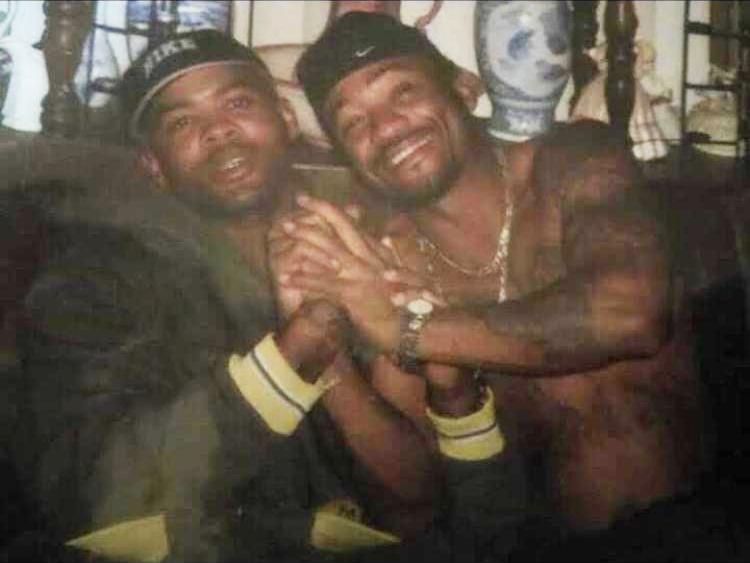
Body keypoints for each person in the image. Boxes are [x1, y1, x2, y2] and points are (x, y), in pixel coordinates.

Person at [5, 29, 451, 563]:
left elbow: (418, 500)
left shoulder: (368, 242)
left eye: (237, 103)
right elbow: (91, 488)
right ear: (154, 167)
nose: (217, 131)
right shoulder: (94, 280)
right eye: (182, 123)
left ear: (286, 118)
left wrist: (332, 348)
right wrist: (290, 358)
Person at [284, 11, 713, 554]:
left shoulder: (573, 161)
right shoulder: (388, 261)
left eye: (403, 92)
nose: (387, 129)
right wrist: (318, 333)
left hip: (688, 533)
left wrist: (409, 330)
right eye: (353, 124)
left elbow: (631, 312)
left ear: (464, 88)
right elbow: (418, 503)